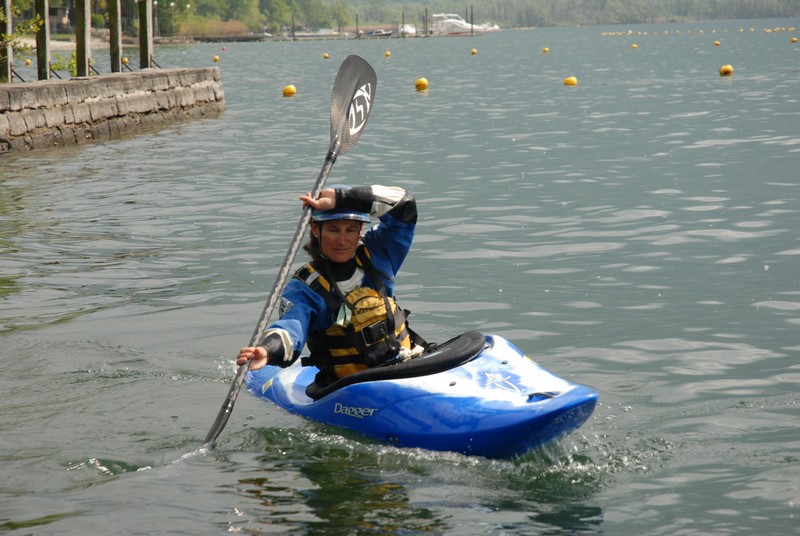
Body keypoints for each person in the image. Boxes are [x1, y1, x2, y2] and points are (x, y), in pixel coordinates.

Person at [236, 184, 426, 385]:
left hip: (407, 364)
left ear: (360, 230)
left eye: (350, 230)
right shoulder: (304, 287)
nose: (342, 240)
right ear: (315, 229)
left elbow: (404, 205)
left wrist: (342, 198)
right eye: (333, 230)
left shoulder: (378, 255)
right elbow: (291, 327)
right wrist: (267, 349)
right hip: (350, 385)